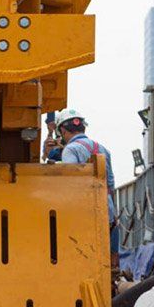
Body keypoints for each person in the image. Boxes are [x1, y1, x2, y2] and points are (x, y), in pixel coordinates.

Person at [56, 108, 118, 254]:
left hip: (83, 209)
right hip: (105, 205)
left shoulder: (70, 150)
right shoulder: (103, 149)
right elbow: (110, 184)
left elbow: (70, 182)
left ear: (63, 131)